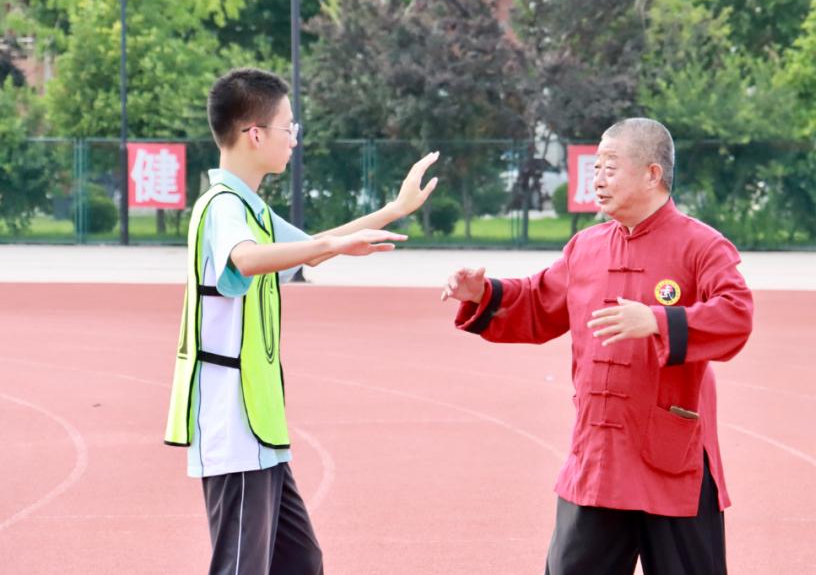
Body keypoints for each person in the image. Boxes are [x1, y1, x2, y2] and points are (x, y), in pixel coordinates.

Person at [441, 118, 753, 575]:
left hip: (673, 460)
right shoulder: (584, 248)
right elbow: (538, 300)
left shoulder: (702, 246)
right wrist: (482, 293)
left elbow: (737, 314)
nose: (597, 179)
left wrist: (658, 319)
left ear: (652, 174)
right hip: (599, 458)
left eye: (610, 166)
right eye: (596, 166)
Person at [164, 67, 439, 575]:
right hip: (233, 423)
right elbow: (246, 260)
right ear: (254, 134)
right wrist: (329, 246)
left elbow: (313, 245)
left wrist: (393, 210)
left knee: (299, 560)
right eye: (289, 127)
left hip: (260, 423)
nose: (294, 139)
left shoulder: (253, 211)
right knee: (243, 565)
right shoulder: (222, 208)